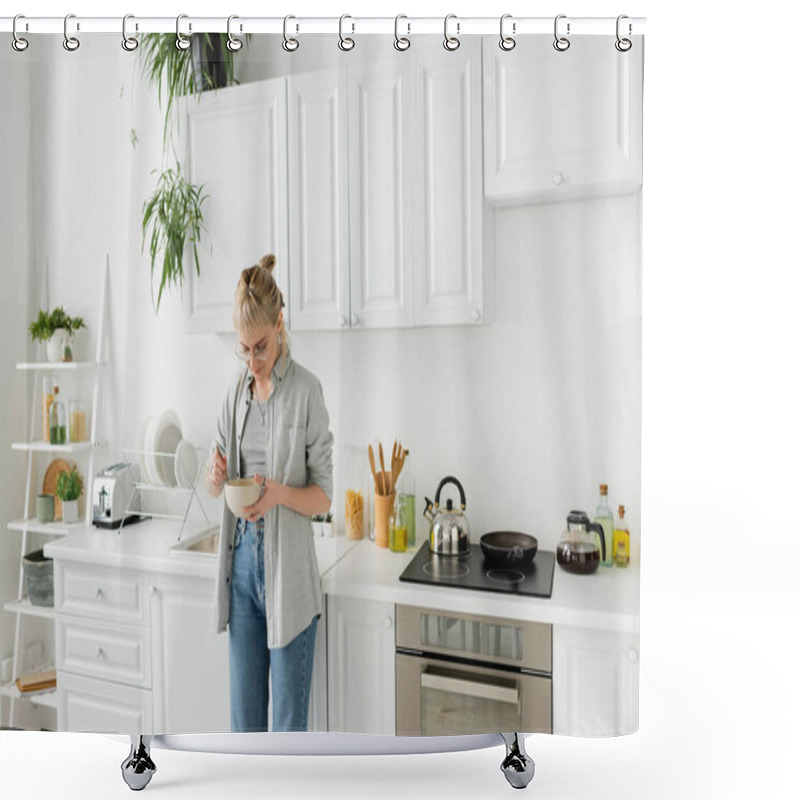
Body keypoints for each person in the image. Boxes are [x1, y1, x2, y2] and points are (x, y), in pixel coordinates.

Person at [205, 254, 333, 733]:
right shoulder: (234, 394)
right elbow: (215, 483)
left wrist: (279, 494)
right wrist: (216, 475)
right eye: (244, 350)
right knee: (243, 729)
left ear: (280, 324)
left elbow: (324, 496)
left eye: (260, 346)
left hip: (289, 576)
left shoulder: (307, 392)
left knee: (286, 736)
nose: (253, 361)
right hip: (241, 568)